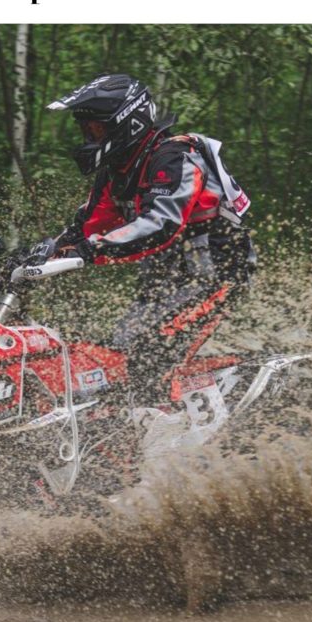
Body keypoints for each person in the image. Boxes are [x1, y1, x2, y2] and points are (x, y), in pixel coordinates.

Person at [34, 73, 255, 405]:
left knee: (149, 356)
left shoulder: (173, 157)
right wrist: (40, 254)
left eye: (95, 129)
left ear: (126, 123)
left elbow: (160, 223)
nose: (89, 137)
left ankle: (165, 441)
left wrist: (92, 249)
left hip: (218, 272)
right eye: (86, 130)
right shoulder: (118, 170)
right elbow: (87, 226)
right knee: (117, 358)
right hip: (165, 278)